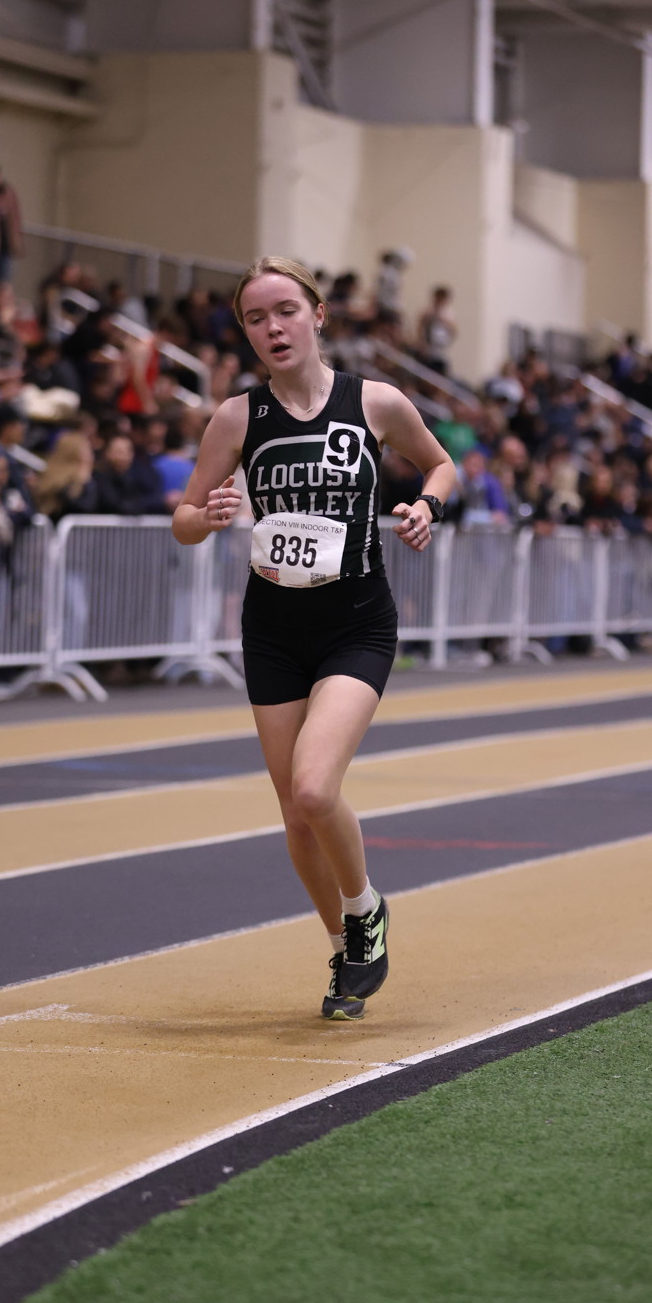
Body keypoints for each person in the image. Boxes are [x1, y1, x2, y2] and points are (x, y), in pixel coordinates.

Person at [172, 256, 455, 1020]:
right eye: (255, 318)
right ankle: (344, 950)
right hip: (272, 629)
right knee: (295, 816)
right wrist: (206, 516)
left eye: (286, 311)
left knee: (313, 788)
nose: (272, 327)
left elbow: (441, 465)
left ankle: (365, 909)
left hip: (356, 621)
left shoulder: (375, 402)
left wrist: (426, 506)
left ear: (318, 315)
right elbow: (184, 519)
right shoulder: (237, 418)